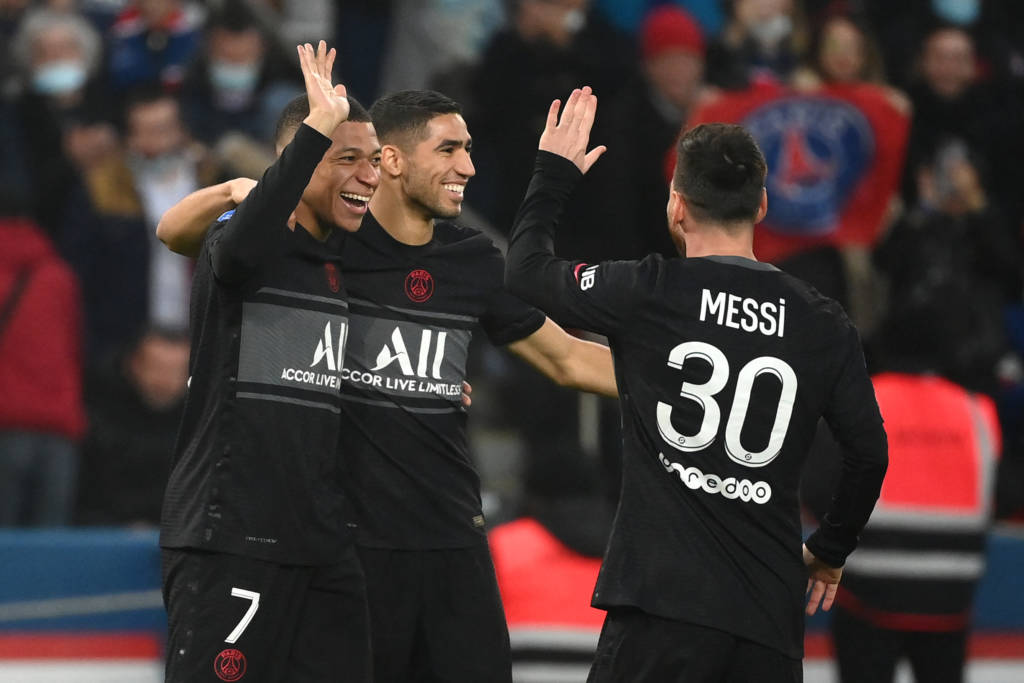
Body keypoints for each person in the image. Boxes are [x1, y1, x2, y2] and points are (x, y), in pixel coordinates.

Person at [158, 88, 618, 682]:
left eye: (468, 149)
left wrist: (667, 379)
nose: (468, 167)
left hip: (451, 539)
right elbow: (182, 236)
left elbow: (569, 361)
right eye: (448, 149)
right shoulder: (327, 245)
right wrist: (239, 190)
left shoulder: (471, 260)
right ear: (395, 161)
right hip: (350, 544)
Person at [504, 87, 889, 681]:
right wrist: (829, 550)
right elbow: (868, 454)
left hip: (662, 608)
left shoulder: (649, 291)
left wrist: (552, 175)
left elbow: (526, 272)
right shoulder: (821, 322)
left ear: (677, 206)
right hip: (766, 620)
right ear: (762, 206)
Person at [159, 42, 375, 683]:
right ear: (297, 161)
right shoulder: (245, 239)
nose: (368, 176)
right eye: (346, 158)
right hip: (233, 535)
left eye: (373, 161)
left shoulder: (339, 262)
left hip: (319, 544)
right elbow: (226, 244)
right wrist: (314, 130)